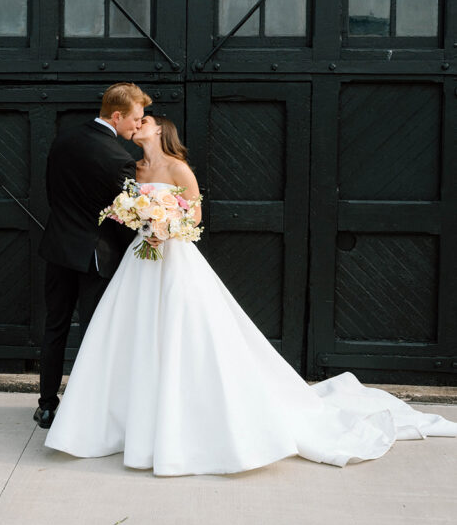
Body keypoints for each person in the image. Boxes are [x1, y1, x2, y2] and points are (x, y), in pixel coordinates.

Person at [44, 114, 457, 475]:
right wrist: (141, 219)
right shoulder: (133, 169)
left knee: (183, 329)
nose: (139, 124)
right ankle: (126, 417)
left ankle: (184, 416)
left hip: (174, 255)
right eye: (138, 119)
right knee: (130, 331)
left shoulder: (178, 167)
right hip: (141, 257)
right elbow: (129, 207)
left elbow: (195, 213)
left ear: (160, 130)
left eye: (146, 121)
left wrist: (167, 224)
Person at [34, 82, 152, 429]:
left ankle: (45, 405)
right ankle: (85, 411)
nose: (137, 125)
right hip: (95, 257)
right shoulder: (119, 159)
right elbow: (123, 217)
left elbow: (52, 194)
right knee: (93, 332)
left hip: (58, 248)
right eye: (135, 118)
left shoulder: (64, 139)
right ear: (117, 116)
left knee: (54, 327)